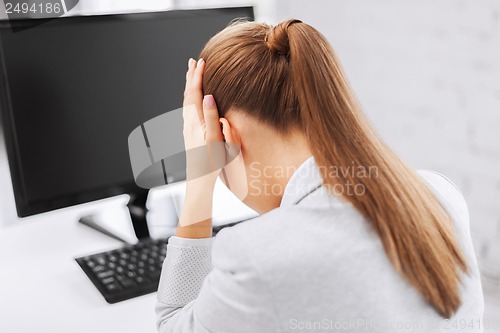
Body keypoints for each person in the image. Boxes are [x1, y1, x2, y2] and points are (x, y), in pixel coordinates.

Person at [155, 19, 484, 332]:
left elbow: (173, 324)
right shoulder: (441, 195)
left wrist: (200, 174)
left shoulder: (256, 257)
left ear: (222, 137)